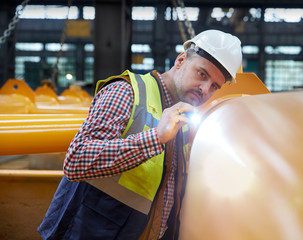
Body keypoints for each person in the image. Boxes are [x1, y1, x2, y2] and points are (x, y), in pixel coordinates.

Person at [38, 29, 243, 240]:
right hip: (86, 232)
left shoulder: (185, 118)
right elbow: (76, 159)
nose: (205, 89)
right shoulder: (126, 92)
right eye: (202, 74)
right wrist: (155, 138)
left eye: (214, 86)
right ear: (181, 60)